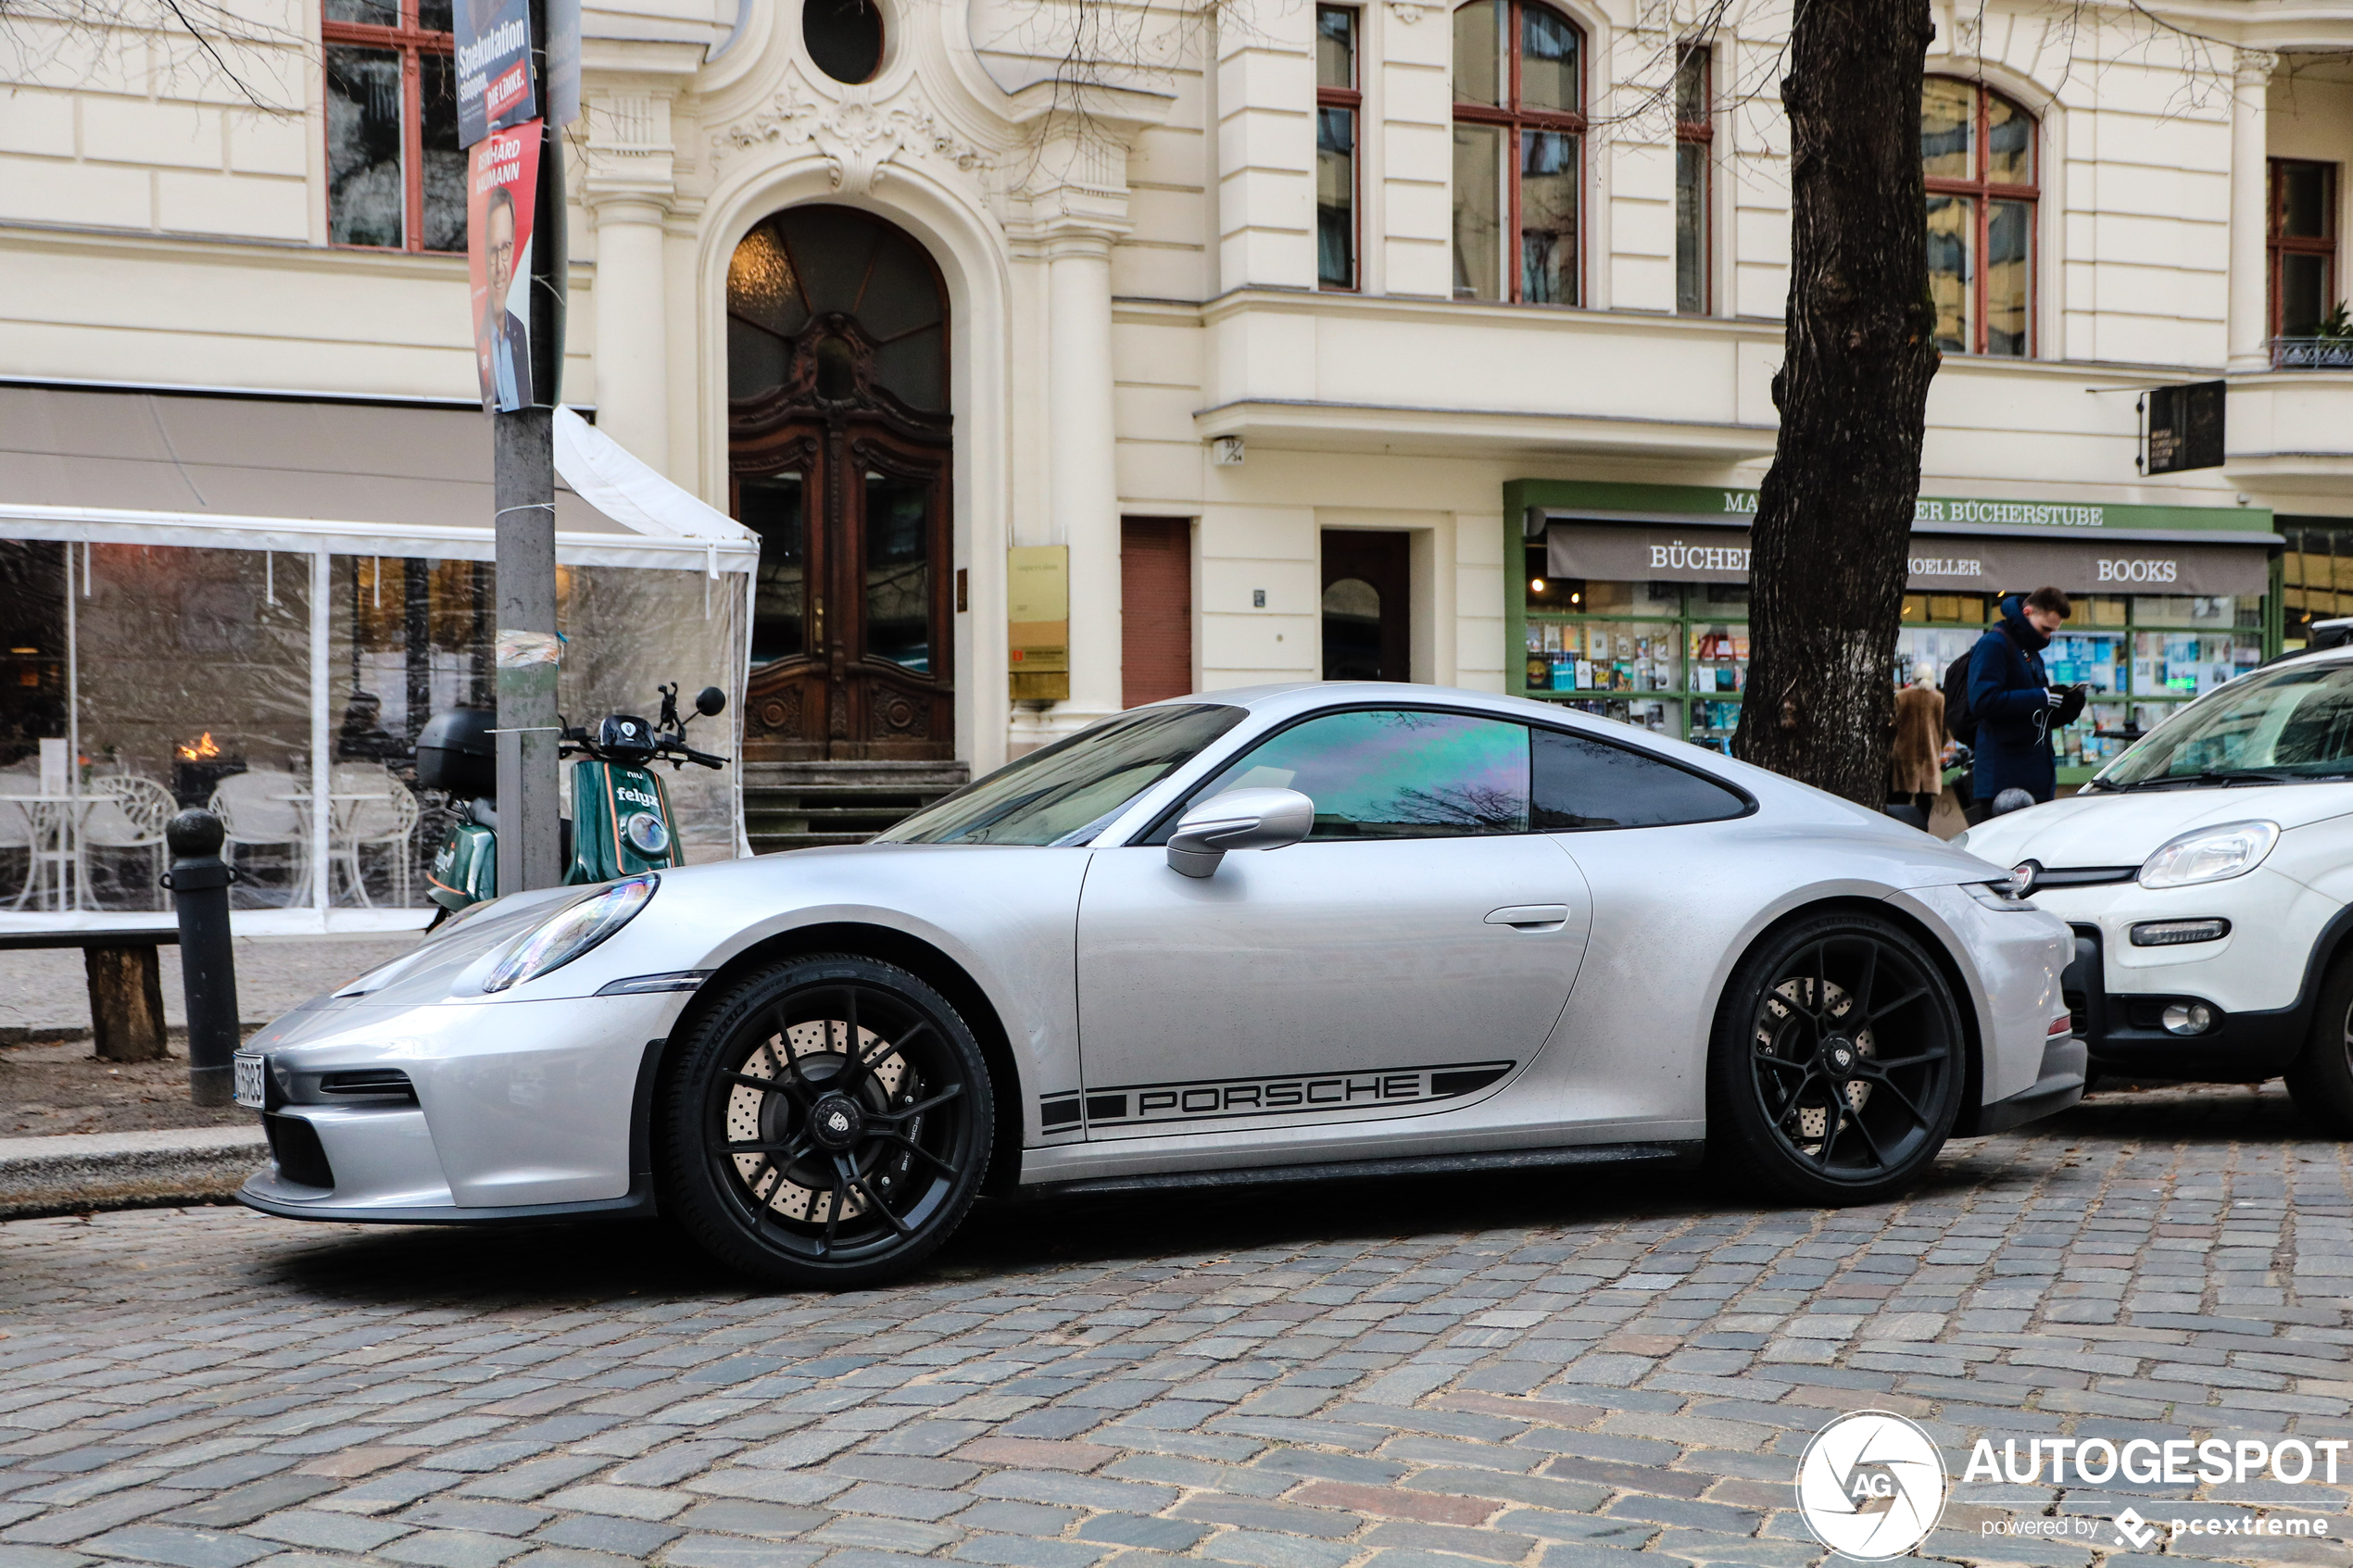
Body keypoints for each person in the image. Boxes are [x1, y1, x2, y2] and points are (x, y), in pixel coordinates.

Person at [1966, 585, 2075, 818]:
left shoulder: (2029, 651)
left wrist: (2067, 708)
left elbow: (2032, 715)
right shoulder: (1995, 644)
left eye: (2052, 631)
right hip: (2004, 783)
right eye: (2045, 628)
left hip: (2034, 779)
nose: (2047, 637)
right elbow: (1983, 701)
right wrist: (2043, 696)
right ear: (2027, 613)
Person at [479, 184, 531, 410]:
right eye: (492, 251)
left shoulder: (521, 333)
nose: (500, 266)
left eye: (506, 248)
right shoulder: (478, 333)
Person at [1890, 668, 1947, 817]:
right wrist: (1937, 746)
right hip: (1929, 756)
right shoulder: (1939, 699)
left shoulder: (1902, 697)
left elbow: (1892, 724)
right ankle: (1922, 830)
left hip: (1904, 755)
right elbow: (1946, 729)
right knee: (1925, 799)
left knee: (1901, 798)